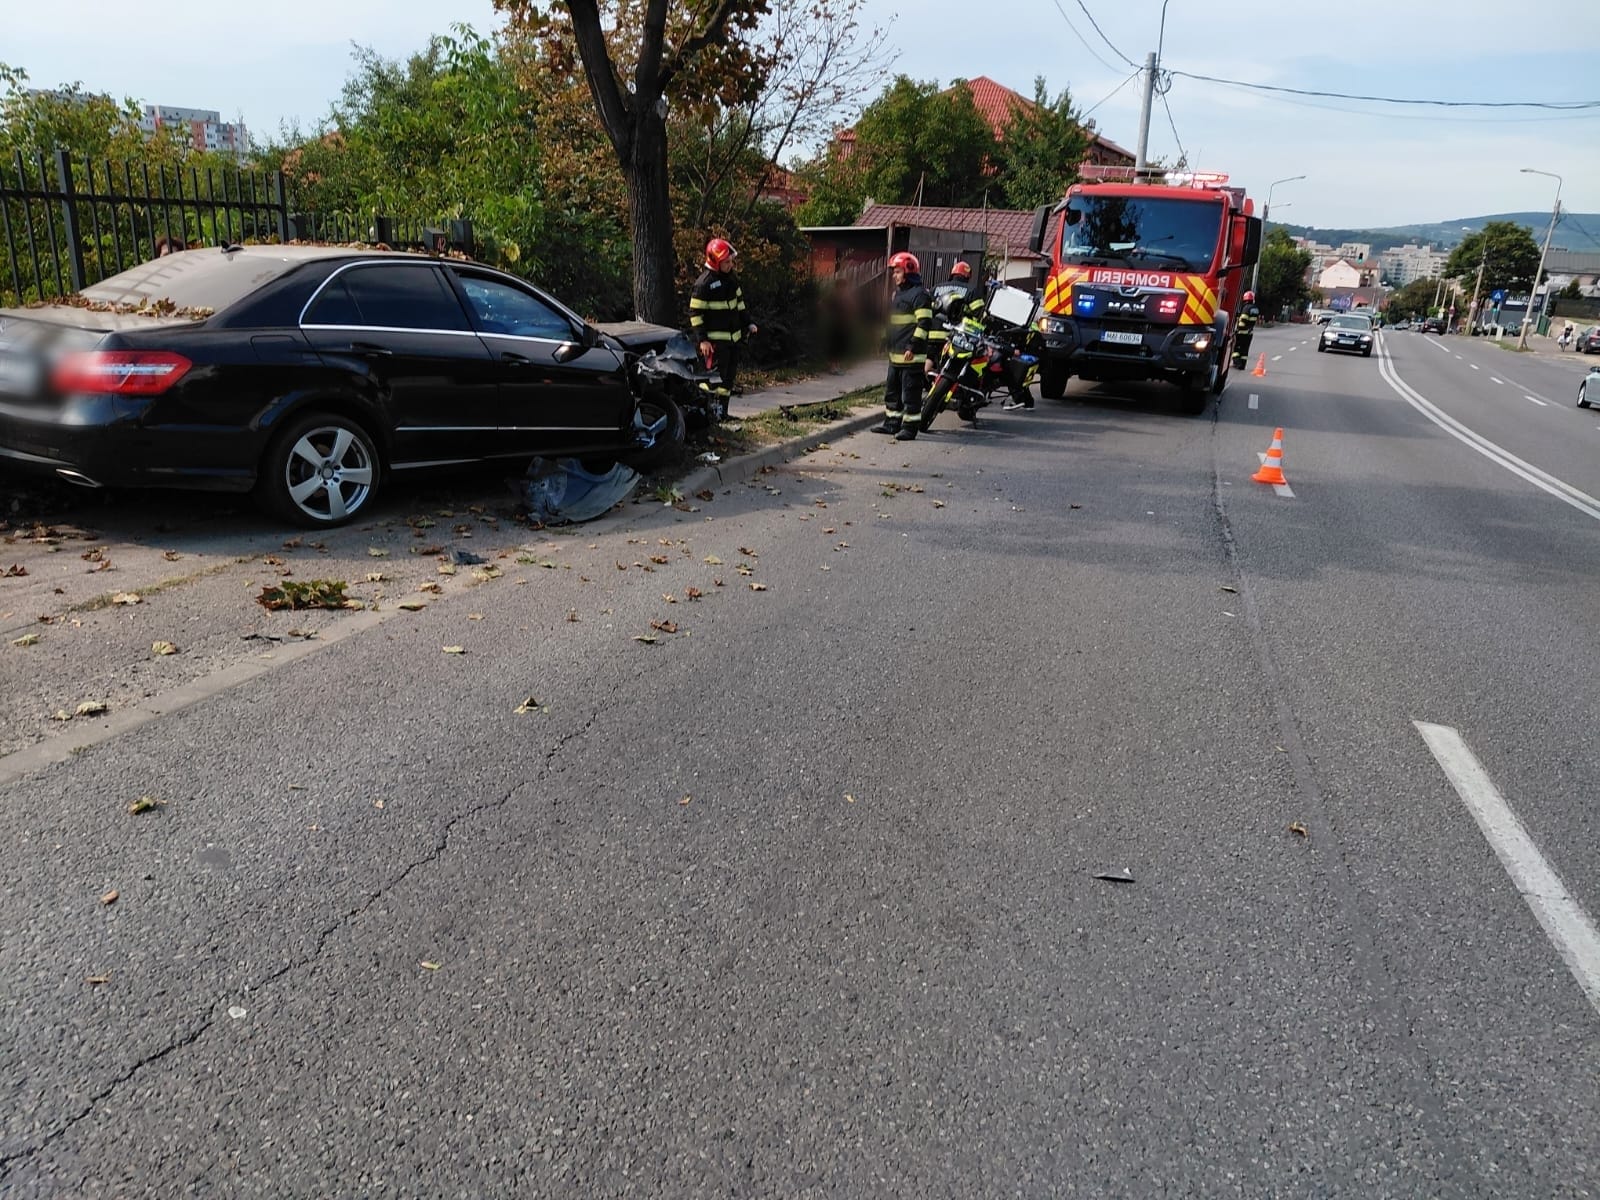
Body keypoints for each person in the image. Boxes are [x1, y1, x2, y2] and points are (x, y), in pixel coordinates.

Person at [689, 237, 757, 420]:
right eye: (726, 262)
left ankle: (722, 415)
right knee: (712, 381)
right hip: (714, 344)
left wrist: (748, 323)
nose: (731, 265)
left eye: (731, 261)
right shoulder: (704, 284)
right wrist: (702, 339)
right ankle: (708, 416)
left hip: (732, 341)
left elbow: (740, 305)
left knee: (727, 381)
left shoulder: (731, 280)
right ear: (715, 262)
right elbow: (695, 314)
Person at [871, 251, 934, 441]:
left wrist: (912, 347)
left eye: (897, 272)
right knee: (892, 393)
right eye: (894, 272)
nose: (894, 275)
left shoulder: (920, 295)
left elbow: (924, 324)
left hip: (911, 356)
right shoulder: (898, 295)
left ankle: (910, 428)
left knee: (911, 395)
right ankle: (891, 424)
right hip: (895, 356)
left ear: (908, 271)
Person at [926, 260, 974, 365]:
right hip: (952, 337)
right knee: (947, 365)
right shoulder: (971, 290)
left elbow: (928, 308)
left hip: (931, 334)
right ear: (967, 276)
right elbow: (977, 312)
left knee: (929, 360)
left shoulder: (936, 287)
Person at [1233, 290, 1260, 367]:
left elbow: (1243, 320)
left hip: (1242, 333)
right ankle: (1243, 365)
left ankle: (1237, 363)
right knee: (1245, 350)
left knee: (1237, 349)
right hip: (1249, 333)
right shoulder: (1255, 309)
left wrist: (1238, 329)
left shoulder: (1246, 308)